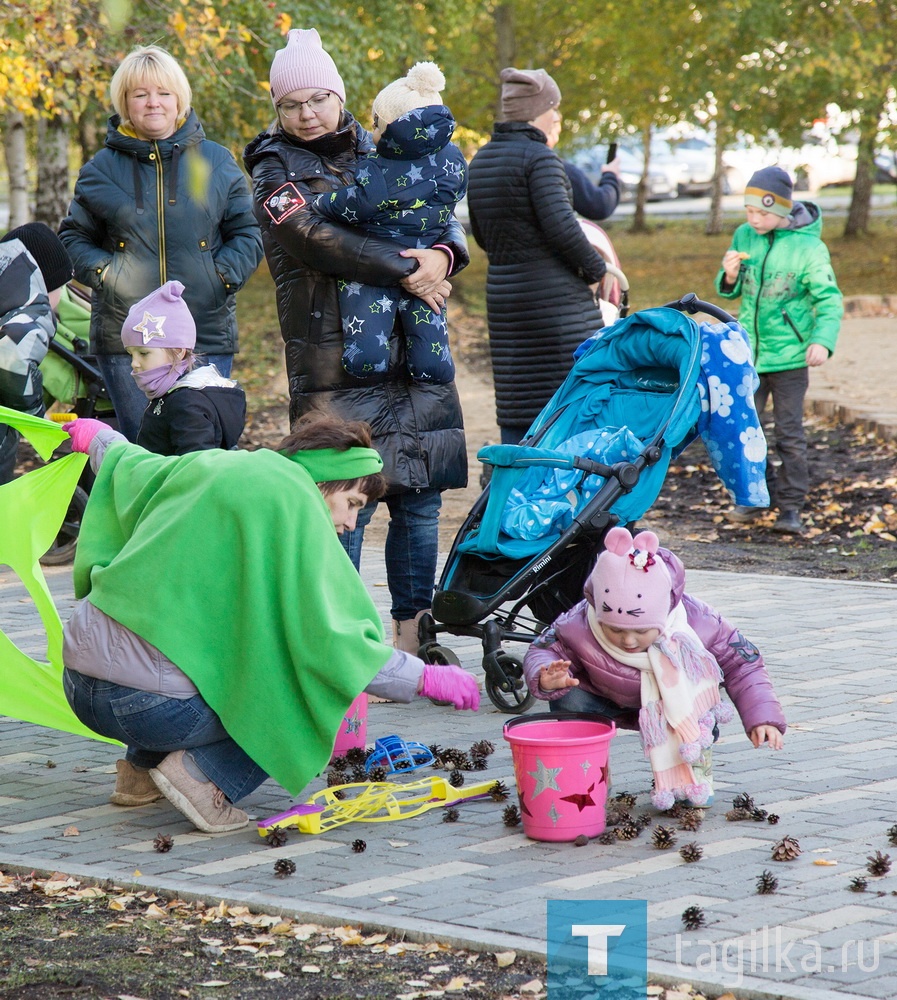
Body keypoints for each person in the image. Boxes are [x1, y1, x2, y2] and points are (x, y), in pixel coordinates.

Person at [60, 412, 480, 833]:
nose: (351, 523)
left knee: (197, 646)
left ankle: (138, 773)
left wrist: (99, 436)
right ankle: (202, 779)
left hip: (79, 686)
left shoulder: (220, 462)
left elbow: (133, 464)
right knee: (295, 692)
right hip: (151, 710)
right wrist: (422, 677)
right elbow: (332, 644)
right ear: (326, 481)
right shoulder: (296, 506)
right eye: (352, 503)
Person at [244, 29, 469, 654]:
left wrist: (445, 255)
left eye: (318, 99)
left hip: (412, 349)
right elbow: (313, 238)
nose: (307, 114)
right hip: (333, 356)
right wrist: (410, 267)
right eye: (292, 105)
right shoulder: (272, 170)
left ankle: (411, 635)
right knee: (347, 500)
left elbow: (444, 213)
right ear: (277, 111)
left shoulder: (386, 142)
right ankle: (341, 641)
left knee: (419, 500)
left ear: (340, 97)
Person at [59, 44, 263, 444]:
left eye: (163, 93)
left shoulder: (217, 163)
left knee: (207, 454)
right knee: (144, 452)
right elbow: (73, 237)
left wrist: (219, 275)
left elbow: (248, 232)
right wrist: (108, 273)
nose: (153, 103)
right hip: (128, 340)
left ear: (179, 99)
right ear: (125, 103)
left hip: (204, 333)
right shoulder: (99, 170)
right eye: (140, 94)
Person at [523, 527, 786, 810]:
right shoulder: (577, 623)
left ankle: (692, 776)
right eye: (613, 630)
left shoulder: (700, 623)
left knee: (702, 699)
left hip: (676, 703)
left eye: (642, 630)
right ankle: (589, 775)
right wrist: (545, 676)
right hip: (600, 696)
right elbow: (542, 648)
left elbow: (744, 664)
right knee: (569, 694)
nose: (628, 641)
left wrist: (763, 718)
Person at [467, 67, 608, 445]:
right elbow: (563, 227)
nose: (559, 119)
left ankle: (513, 489)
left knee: (519, 402)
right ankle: (572, 494)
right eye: (555, 111)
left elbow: (481, 235)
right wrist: (596, 270)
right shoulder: (540, 159)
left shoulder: (481, 161)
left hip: (505, 298)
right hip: (555, 303)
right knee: (573, 402)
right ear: (537, 113)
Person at [308, 61, 467, 385]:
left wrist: (322, 202)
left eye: (378, 125)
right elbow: (448, 208)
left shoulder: (379, 168)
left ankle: (365, 361)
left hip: (375, 264)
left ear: (397, 131)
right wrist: (438, 255)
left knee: (366, 328)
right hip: (425, 256)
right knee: (428, 318)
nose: (373, 132)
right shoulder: (453, 160)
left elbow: (358, 204)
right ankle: (433, 365)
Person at [716, 166, 843, 535]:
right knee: (745, 431)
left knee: (788, 434)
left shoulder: (809, 248)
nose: (754, 219)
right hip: (749, 357)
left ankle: (790, 508)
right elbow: (731, 290)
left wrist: (822, 340)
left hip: (789, 359)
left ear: (784, 211)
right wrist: (728, 276)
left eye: (763, 213)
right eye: (749, 211)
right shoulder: (744, 235)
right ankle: (754, 498)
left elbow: (830, 301)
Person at [122, 280, 245, 454]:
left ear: (178, 352)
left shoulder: (187, 403)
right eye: (130, 354)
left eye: (143, 353)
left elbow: (195, 467)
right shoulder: (169, 394)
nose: (134, 363)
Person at [0, 223, 74, 484]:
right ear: (44, 281)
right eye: (63, 286)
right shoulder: (33, 309)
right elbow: (11, 358)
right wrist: (35, 415)